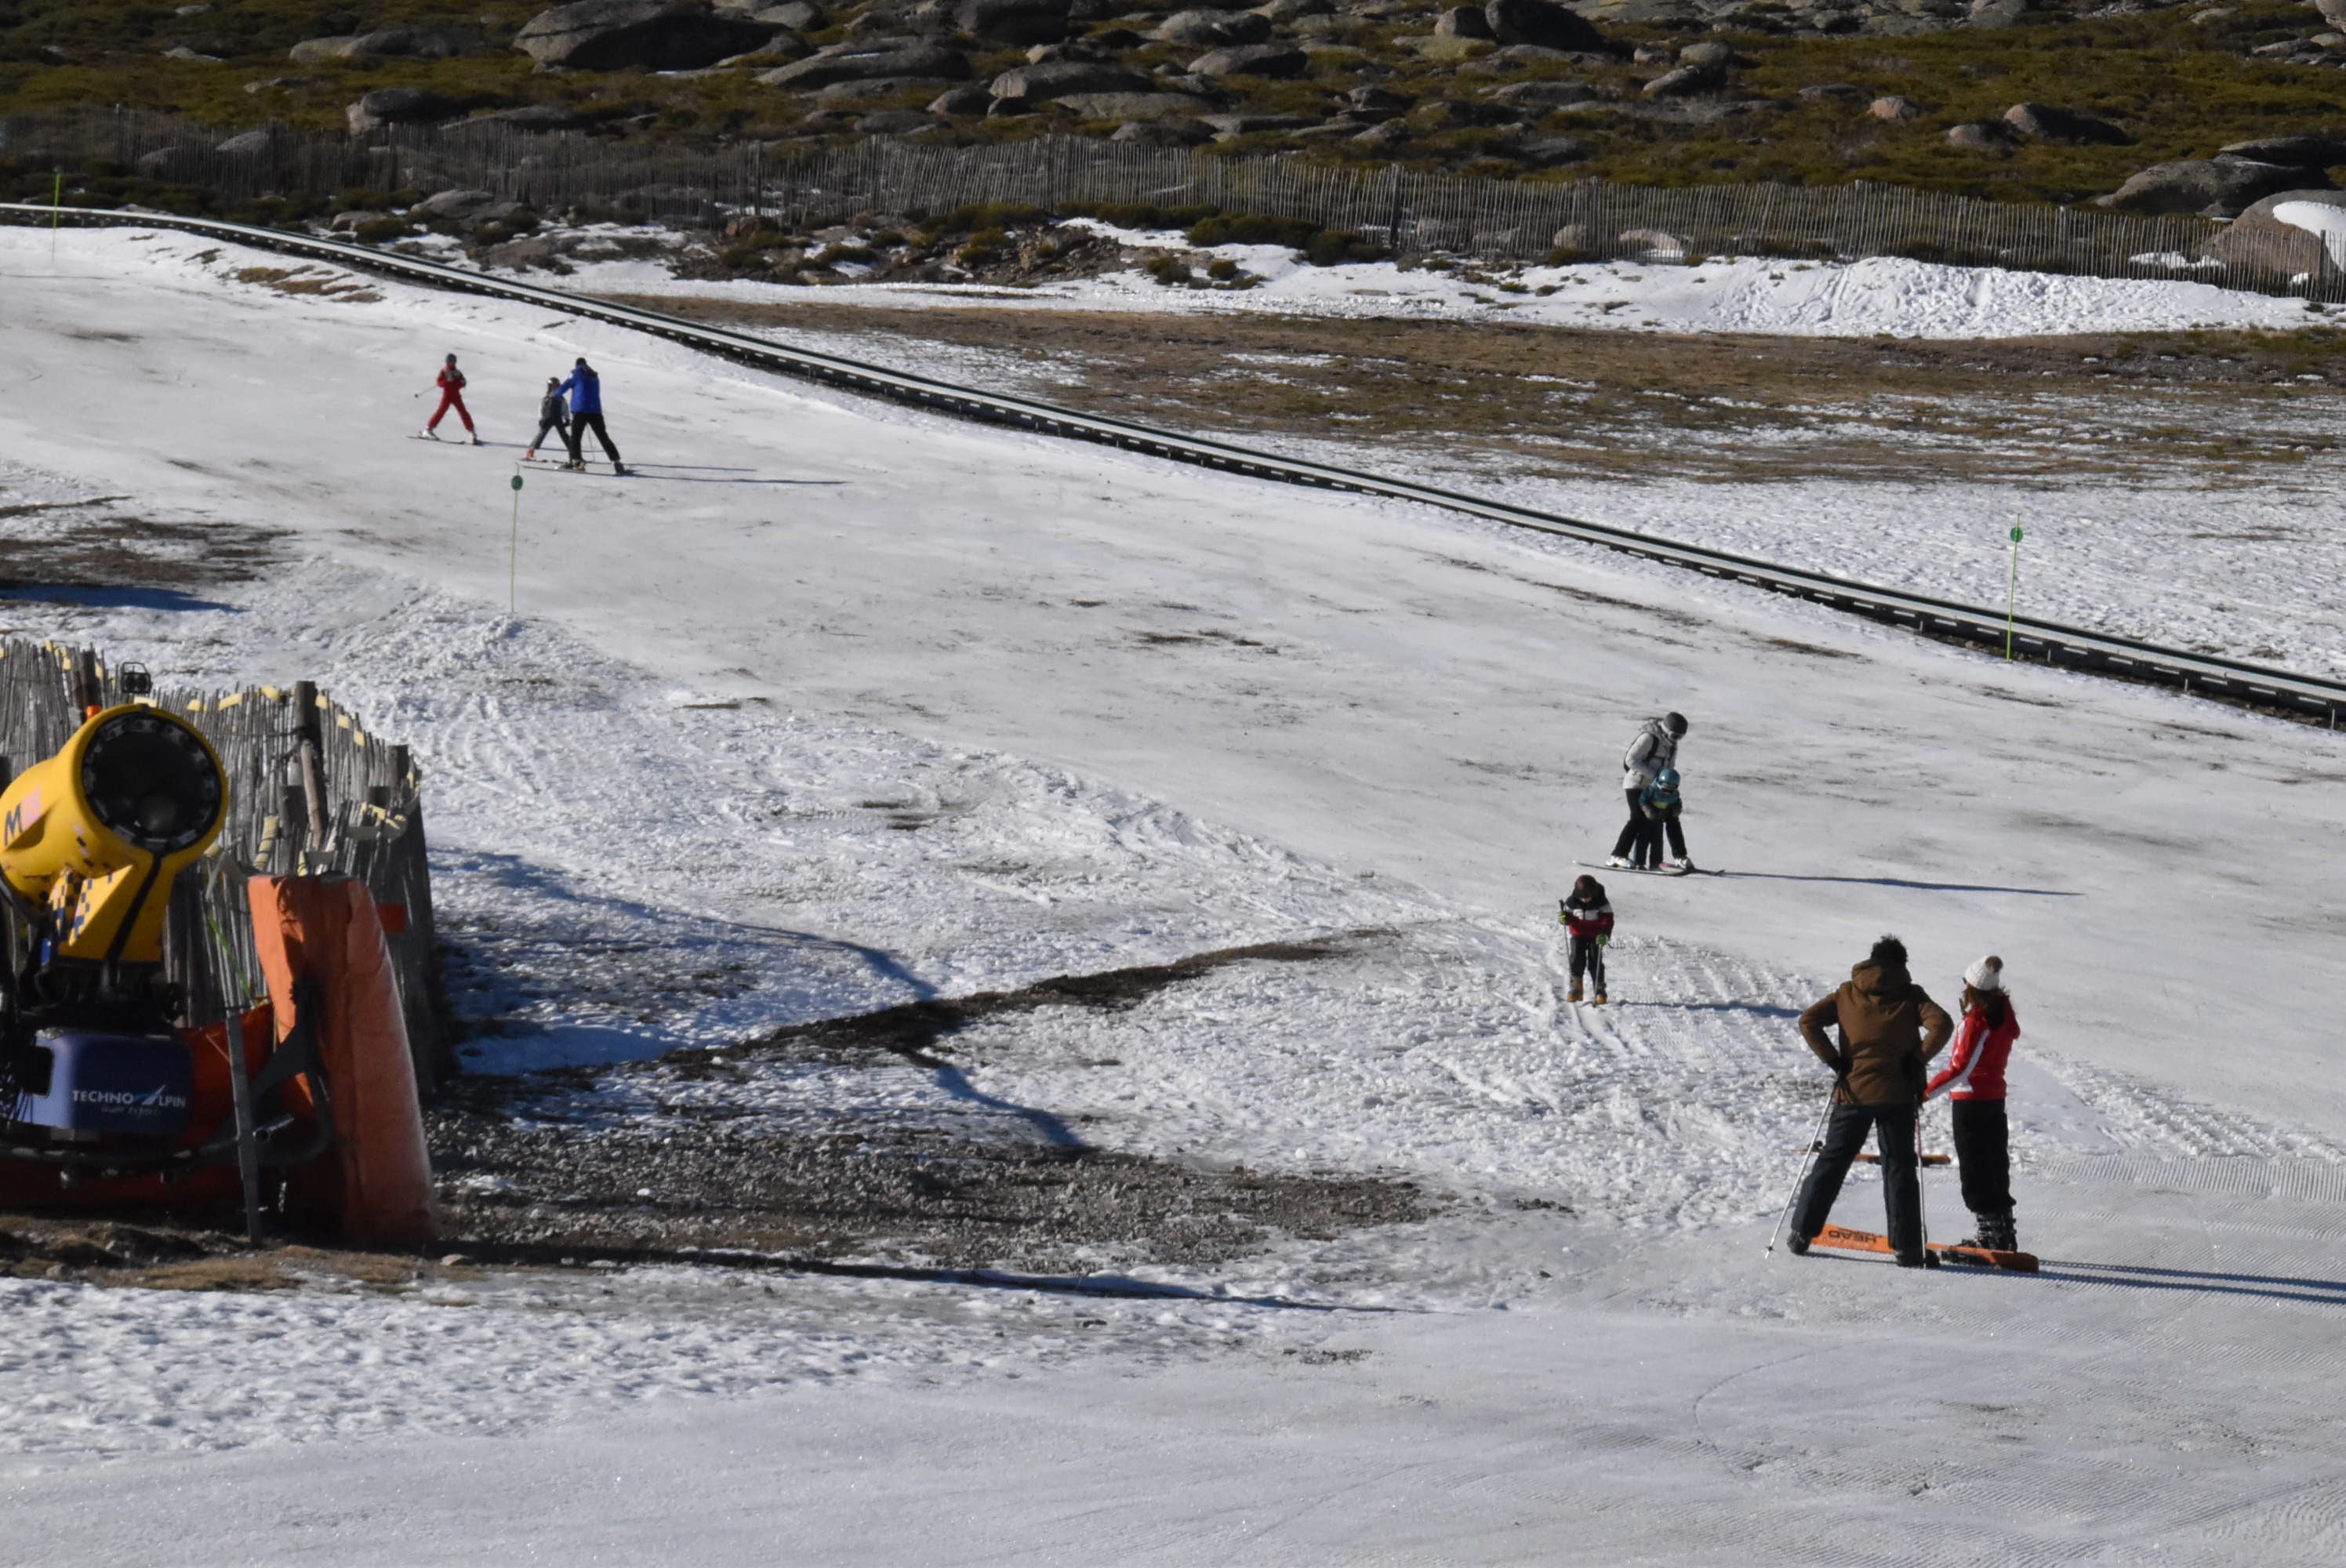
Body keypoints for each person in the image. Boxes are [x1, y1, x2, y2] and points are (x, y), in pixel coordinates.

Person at [1785, 934, 1953, 1268]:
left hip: (1853, 1093)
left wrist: (1835, 1060)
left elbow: (1808, 1020)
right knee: (1899, 1167)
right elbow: (1943, 1025)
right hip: (1898, 1095)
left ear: (1872, 960)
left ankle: (1802, 1233)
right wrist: (1917, 1058)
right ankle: (1906, 1249)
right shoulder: (1911, 995)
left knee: (1832, 1162)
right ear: (1902, 964)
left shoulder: (1848, 993)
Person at [1927, 955, 2020, 1254]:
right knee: (1994, 1164)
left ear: (1971, 987)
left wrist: (1923, 1093)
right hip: (1994, 1098)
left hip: (1971, 1101)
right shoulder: (2003, 1016)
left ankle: (1990, 1238)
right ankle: (2002, 1233)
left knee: (1976, 1169)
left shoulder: (1976, 1021)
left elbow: (1960, 1069)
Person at [1607, 712, 1686, 869]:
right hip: (1636, 784)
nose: (1676, 740)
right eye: (1675, 735)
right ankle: (1618, 856)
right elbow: (1630, 759)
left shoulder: (1672, 745)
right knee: (1638, 818)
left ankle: (1680, 857)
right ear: (1666, 729)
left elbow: (1670, 766)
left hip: (1655, 788)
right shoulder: (1649, 738)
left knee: (1671, 816)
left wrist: (1666, 783)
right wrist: (1655, 775)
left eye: (1680, 737)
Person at [560, 357, 627, 474]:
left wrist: (554, 395)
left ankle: (576, 461)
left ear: (577, 365)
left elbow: (564, 386)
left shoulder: (575, 373)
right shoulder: (594, 375)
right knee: (603, 437)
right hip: (595, 411)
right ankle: (617, 462)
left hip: (580, 410)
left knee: (575, 437)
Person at [1557, 874, 1614, 1004]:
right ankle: (1576, 987)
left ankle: (1599, 988)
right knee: (1576, 958)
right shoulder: (1572, 902)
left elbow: (1608, 920)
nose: (1585, 900)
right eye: (1582, 897)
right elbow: (1568, 917)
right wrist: (1564, 919)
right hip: (1578, 934)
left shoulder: (1601, 902)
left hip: (1596, 936)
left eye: (1588, 897)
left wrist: (1605, 934)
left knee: (1595, 961)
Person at [1633, 766, 1694, 872]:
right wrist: (1648, 810)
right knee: (1643, 840)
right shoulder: (1652, 789)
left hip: (1659, 820)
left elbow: (1677, 802)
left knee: (1658, 842)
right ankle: (1639, 863)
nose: (1667, 792)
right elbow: (1643, 800)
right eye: (1665, 789)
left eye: (1670, 790)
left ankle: (1655, 863)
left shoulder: (1674, 794)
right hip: (1647, 820)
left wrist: (1676, 809)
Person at [423, 353, 479, 442]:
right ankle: (428, 430)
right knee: (441, 412)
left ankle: (471, 432)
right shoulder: (444, 371)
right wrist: (448, 382)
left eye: (453, 361)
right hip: (447, 396)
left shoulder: (457, 372)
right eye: (449, 361)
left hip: (456, 396)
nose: (451, 363)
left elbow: (463, 382)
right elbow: (439, 383)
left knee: (463, 412)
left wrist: (458, 383)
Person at [524, 376, 570, 462]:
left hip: (558, 419)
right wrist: (541, 419)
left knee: (564, 436)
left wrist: (567, 418)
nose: (554, 388)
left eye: (556, 386)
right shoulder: (546, 399)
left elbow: (565, 408)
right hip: (547, 419)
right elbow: (541, 409)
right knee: (540, 435)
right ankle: (530, 452)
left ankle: (573, 454)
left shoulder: (561, 399)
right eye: (552, 386)